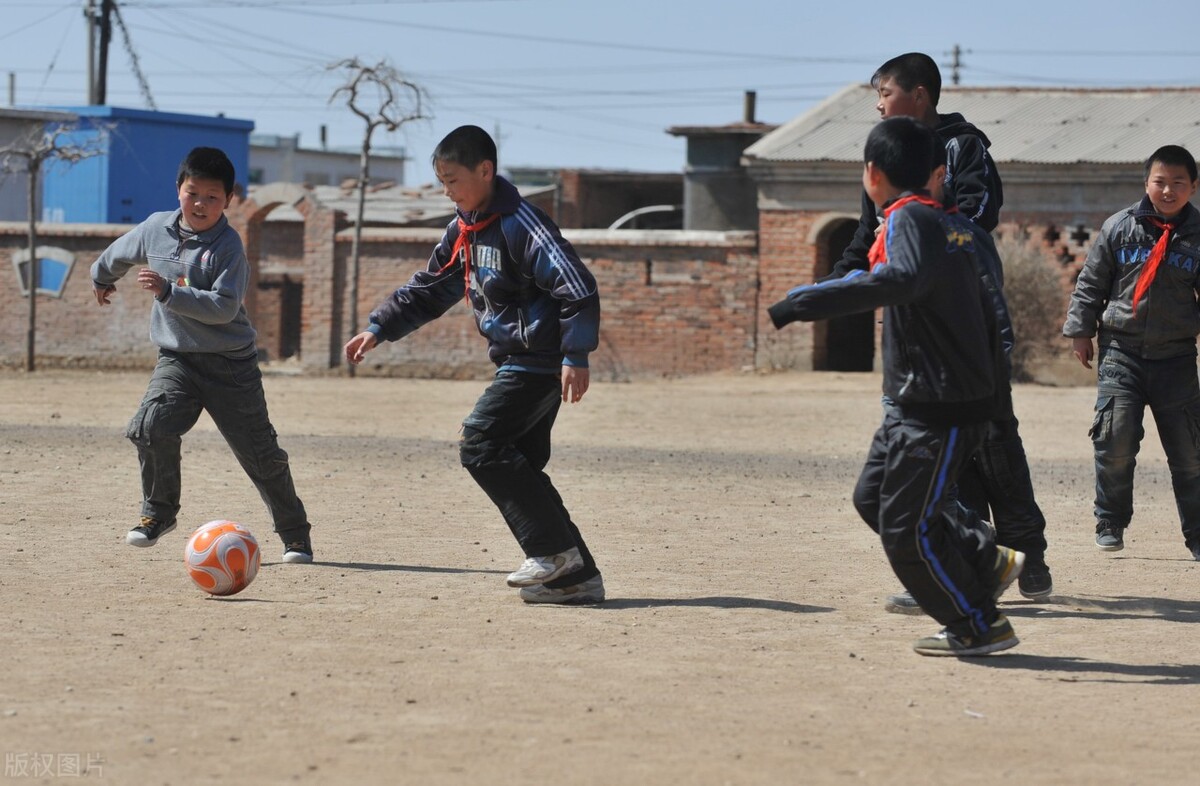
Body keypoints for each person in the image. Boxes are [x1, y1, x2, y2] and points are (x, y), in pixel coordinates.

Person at [770, 116, 1022, 656]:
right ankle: (982, 556)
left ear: (872, 174)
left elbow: (899, 280)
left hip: (938, 405)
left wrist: (805, 301)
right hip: (920, 400)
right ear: (934, 173)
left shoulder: (910, 219)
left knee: (905, 531)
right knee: (872, 499)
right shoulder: (952, 224)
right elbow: (991, 312)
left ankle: (977, 623)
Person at [344, 125, 604, 604]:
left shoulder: (523, 224)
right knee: (521, 464)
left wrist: (575, 354)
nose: (447, 191)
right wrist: (378, 327)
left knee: (480, 443)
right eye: (441, 182)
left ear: (485, 171)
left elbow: (578, 287)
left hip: (538, 362)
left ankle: (552, 553)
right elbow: (429, 289)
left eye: (453, 180)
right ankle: (576, 578)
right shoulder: (464, 229)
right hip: (516, 362)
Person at [828, 52, 1052, 607]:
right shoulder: (883, 157)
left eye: (885, 92)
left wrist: (923, 243)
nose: (878, 104)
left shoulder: (963, 147)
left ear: (920, 94)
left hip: (967, 318)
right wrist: (831, 287)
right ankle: (962, 564)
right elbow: (866, 236)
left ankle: (1026, 552)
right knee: (930, 453)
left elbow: (978, 213)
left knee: (993, 441)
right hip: (913, 331)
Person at [91, 146, 314, 563]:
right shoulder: (155, 228)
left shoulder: (229, 247)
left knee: (261, 455)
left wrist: (168, 292)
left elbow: (224, 308)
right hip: (177, 360)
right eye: (193, 193)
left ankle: (295, 534)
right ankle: (158, 513)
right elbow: (118, 253)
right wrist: (101, 277)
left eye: (212, 197)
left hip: (230, 366)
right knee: (149, 427)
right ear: (178, 189)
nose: (200, 204)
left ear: (227, 200)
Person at [1063, 144, 1200, 558]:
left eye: (1178, 182)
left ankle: (1197, 533)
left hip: (1176, 357)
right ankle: (1110, 520)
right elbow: (1091, 283)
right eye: (1160, 181)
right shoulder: (1119, 228)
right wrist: (1080, 331)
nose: (1168, 190)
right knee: (1115, 441)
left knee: (1190, 452)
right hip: (1121, 352)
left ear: (1193, 187)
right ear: (1146, 183)